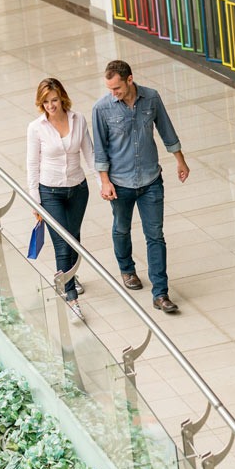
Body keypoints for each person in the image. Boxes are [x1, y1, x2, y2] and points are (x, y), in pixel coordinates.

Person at [91, 60, 189, 314]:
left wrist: (181, 162)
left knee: (155, 235)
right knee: (121, 228)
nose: (113, 93)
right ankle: (127, 268)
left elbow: (167, 131)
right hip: (120, 183)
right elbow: (100, 150)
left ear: (129, 79)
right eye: (110, 89)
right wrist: (104, 181)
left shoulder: (152, 99)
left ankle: (161, 293)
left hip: (151, 181)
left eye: (117, 88)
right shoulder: (102, 108)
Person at [26, 78, 93, 322]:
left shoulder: (79, 119)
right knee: (62, 244)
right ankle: (72, 297)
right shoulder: (36, 127)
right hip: (50, 192)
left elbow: (90, 154)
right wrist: (35, 201)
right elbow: (32, 165)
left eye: (54, 100)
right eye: (45, 102)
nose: (50, 106)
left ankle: (70, 276)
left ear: (62, 98)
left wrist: (103, 182)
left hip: (78, 189)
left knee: (74, 239)